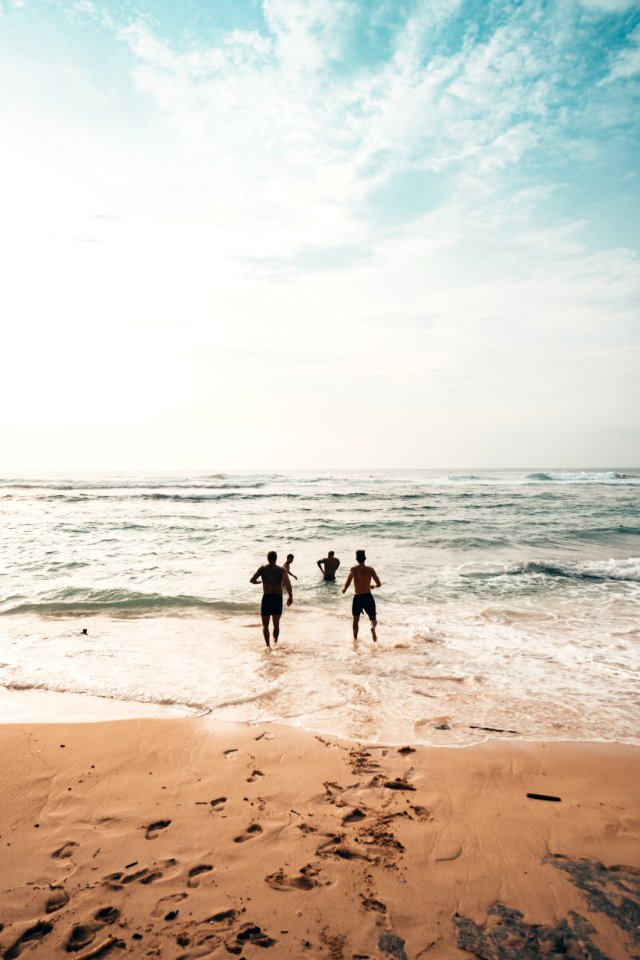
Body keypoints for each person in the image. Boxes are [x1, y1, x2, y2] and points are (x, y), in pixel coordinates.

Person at [250, 551, 293, 648]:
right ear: (276, 558)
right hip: (277, 598)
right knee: (276, 624)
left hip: (267, 598)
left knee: (265, 625)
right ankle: (275, 643)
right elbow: (288, 583)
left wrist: (258, 582)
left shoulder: (262, 569)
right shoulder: (282, 570)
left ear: (267, 558)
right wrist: (290, 596)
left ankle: (268, 646)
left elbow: (252, 580)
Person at [342, 549, 381, 641]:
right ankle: (372, 628)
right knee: (373, 618)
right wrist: (373, 586)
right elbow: (379, 584)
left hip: (358, 597)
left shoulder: (354, 569)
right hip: (368, 596)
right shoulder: (370, 569)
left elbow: (349, 579)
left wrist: (344, 588)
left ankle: (355, 639)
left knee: (356, 620)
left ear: (356, 559)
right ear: (365, 558)